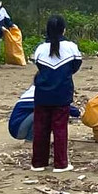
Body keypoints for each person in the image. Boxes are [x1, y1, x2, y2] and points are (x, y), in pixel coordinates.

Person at [30, 15, 83, 172]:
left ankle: (38, 163)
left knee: (40, 129)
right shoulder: (71, 47)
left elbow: (39, 66)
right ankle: (61, 163)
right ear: (64, 30)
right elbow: (76, 66)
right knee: (60, 129)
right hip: (62, 93)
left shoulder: (40, 49)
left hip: (42, 94)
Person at [9, 85, 81, 141]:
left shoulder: (35, 90)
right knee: (46, 113)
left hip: (20, 126)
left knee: (48, 111)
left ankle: (38, 140)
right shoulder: (38, 93)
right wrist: (79, 113)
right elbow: (60, 105)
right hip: (18, 129)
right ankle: (30, 140)